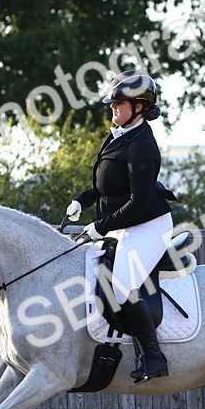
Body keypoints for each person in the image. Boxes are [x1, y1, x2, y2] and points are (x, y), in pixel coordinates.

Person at [66, 70, 176, 382]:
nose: (113, 108)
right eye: (112, 103)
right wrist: (81, 200)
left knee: (123, 284)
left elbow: (138, 203)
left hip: (148, 225)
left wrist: (101, 226)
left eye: (119, 103)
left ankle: (154, 357)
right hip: (124, 223)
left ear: (139, 106)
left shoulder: (142, 146)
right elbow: (108, 187)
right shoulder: (119, 135)